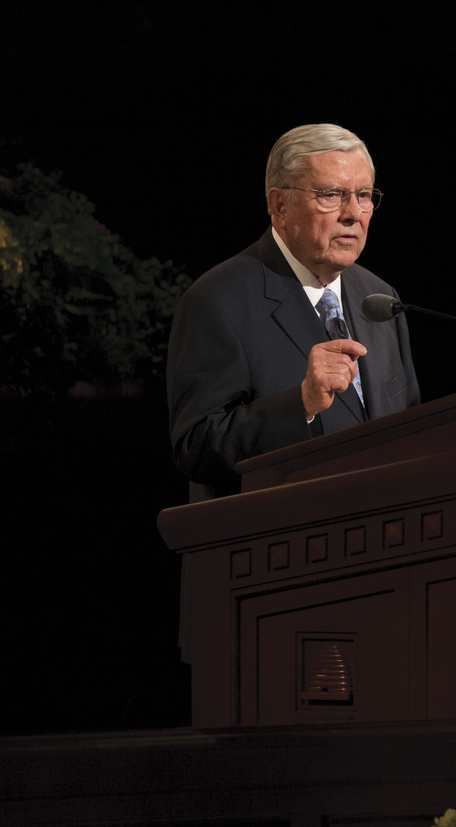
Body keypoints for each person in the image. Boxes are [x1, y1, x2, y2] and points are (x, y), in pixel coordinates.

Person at [166, 123, 420, 660]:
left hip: (380, 585)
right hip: (264, 594)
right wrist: (300, 403)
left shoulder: (379, 298)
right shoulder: (219, 298)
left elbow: (409, 432)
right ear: (279, 205)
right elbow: (195, 446)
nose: (354, 213)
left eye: (364, 195)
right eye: (332, 195)